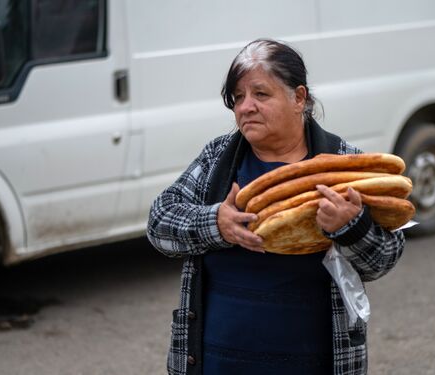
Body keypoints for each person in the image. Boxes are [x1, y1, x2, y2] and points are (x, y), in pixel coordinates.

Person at [147, 39, 405, 375]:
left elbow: (385, 258)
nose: (245, 107)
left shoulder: (343, 163)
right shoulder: (218, 159)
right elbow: (158, 223)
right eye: (238, 98)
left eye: (260, 94)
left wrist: (352, 226)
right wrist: (216, 223)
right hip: (216, 364)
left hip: (312, 363)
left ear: (299, 98)